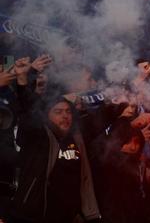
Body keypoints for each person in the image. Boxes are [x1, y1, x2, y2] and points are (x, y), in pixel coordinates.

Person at [10, 92, 101, 223]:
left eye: (68, 111)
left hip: (70, 216)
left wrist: (116, 103)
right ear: (46, 115)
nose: (65, 116)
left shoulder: (77, 137)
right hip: (37, 216)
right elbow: (27, 117)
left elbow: (101, 120)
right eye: (58, 112)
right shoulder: (37, 136)